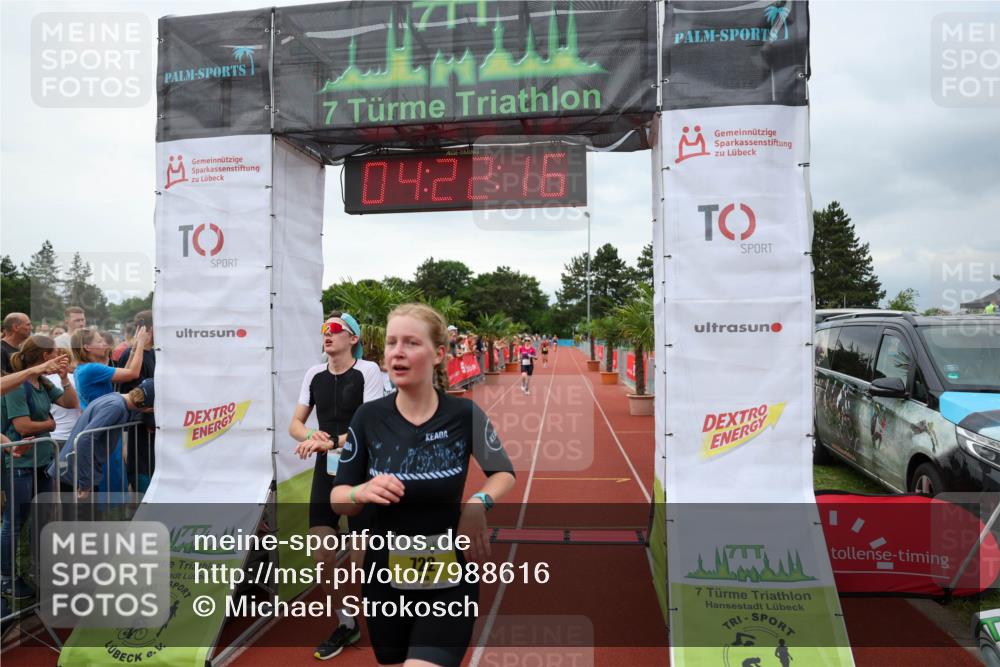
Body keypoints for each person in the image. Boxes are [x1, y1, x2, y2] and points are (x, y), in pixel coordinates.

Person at [332, 303, 515, 667]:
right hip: (384, 578)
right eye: (391, 343)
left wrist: (479, 503)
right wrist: (360, 492)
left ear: (439, 354)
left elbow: (503, 473)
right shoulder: (368, 418)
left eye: (411, 343)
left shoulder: (464, 416)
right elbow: (339, 498)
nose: (397, 352)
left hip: (449, 580)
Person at [288, 312, 383, 660]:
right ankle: (346, 621)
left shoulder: (368, 371)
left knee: (361, 562)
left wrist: (332, 443)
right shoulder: (314, 374)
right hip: (325, 473)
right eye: (324, 330)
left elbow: (370, 424)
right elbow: (295, 424)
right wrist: (312, 436)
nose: (327, 335)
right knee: (322, 551)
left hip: (361, 472)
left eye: (335, 330)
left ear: (352, 338)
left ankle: (387, 606)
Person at [1, 335, 79, 599]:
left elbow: (71, 403)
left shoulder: (43, 383)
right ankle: (6, 577)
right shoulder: (17, 385)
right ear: (46, 357)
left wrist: (65, 377)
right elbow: (22, 427)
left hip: (43, 463)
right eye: (58, 353)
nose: (63, 356)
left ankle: (39, 568)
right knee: (15, 521)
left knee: (42, 517)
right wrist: (49, 424)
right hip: (20, 464)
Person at [71, 326, 148, 494]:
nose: (104, 343)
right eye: (99, 341)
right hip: (103, 429)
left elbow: (125, 372)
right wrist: (141, 344)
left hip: (105, 427)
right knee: (110, 481)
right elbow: (133, 373)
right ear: (87, 347)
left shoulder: (87, 367)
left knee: (114, 478)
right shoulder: (91, 368)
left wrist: (134, 349)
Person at [48, 379, 154, 498]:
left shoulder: (117, 398)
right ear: (149, 408)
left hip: (75, 469)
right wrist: (85, 484)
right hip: (75, 473)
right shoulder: (116, 407)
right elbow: (84, 440)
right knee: (78, 516)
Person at [115, 311, 157, 492]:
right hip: (139, 431)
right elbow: (134, 396)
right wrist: (149, 419)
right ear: (151, 330)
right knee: (143, 477)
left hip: (153, 431)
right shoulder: (130, 356)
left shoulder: (155, 354)